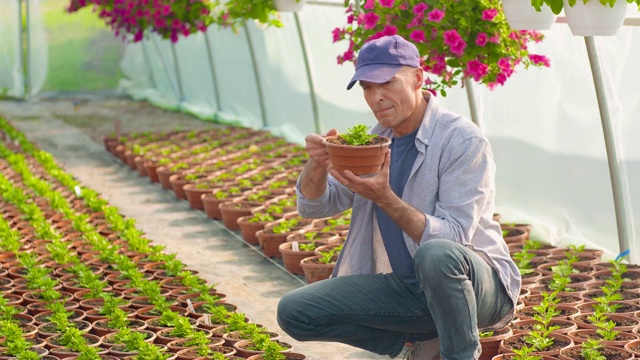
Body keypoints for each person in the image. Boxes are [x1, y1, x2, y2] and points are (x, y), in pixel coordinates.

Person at [276, 35, 520, 360]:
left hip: (477, 288)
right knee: (294, 311)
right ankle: (414, 346)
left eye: (387, 83)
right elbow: (314, 206)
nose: (376, 98)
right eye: (366, 87)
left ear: (418, 77)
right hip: (407, 289)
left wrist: (385, 197)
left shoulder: (461, 140)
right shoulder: (375, 142)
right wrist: (317, 164)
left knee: (436, 255)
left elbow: (455, 238)